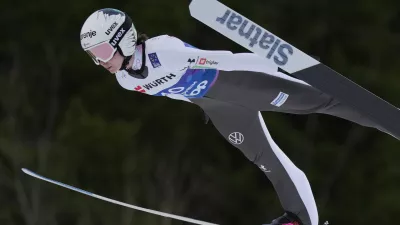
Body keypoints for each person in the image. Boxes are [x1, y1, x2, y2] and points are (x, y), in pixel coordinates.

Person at [79, 8, 398, 225]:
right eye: (95, 57)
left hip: (239, 84)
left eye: (104, 52)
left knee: (321, 101)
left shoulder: (165, 50)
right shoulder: (125, 80)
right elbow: (171, 90)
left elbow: (225, 60)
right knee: (267, 160)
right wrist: (200, 102)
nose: (101, 62)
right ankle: (300, 220)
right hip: (217, 107)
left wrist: (281, 64)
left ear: (124, 38)